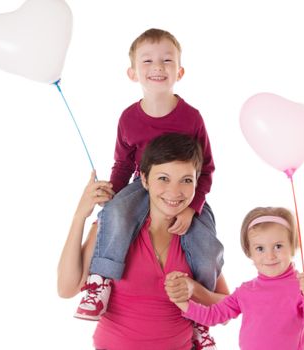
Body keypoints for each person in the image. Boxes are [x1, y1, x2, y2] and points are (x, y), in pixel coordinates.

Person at [74, 28, 223, 348]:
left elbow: (206, 168)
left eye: (167, 60)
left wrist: (191, 207)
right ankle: (100, 283)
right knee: (114, 214)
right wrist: (109, 197)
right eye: (148, 61)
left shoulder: (191, 117)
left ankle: (199, 318)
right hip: (141, 188)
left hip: (187, 195)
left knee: (206, 243)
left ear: (179, 71)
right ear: (133, 72)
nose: (158, 66)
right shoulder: (129, 118)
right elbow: (123, 165)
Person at [57, 133, 229, 349]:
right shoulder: (116, 228)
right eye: (163, 178)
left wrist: (195, 290)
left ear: (197, 183)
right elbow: (66, 289)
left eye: (186, 180)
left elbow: (226, 310)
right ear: (145, 180)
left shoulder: (197, 236)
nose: (174, 192)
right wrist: (79, 216)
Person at [167, 207, 304, 350]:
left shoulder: (300, 288)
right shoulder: (246, 291)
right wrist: (182, 302)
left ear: (293, 246)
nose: (270, 256)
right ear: (249, 252)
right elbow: (213, 315)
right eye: (260, 248)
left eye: (278, 246)